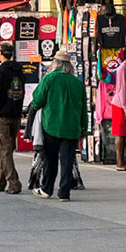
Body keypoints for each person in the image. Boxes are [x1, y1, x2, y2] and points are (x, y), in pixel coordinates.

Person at [27, 48, 88, 201]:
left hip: (51, 126)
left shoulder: (49, 79)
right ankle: (64, 193)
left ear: (56, 63)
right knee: (67, 162)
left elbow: (37, 100)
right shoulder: (77, 83)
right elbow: (83, 109)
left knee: (50, 160)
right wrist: (83, 127)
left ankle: (47, 189)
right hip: (72, 127)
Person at [0, 42, 25, 195]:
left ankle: (14, 182)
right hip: (15, 113)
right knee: (7, 148)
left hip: (1, 115)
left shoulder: (0, 71)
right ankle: (0, 182)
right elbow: (21, 91)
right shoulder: (20, 71)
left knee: (4, 149)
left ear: (0, 54)